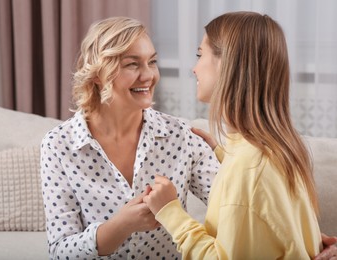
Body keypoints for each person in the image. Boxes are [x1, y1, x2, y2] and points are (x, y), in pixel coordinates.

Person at [143, 11, 335, 259]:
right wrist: (223, 154)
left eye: (201, 55)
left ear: (227, 64)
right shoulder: (278, 149)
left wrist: (170, 212)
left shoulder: (248, 169)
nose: (194, 68)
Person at [40, 16, 219, 259]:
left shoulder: (182, 137)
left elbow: (235, 208)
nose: (148, 75)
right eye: (132, 64)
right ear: (97, 74)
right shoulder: (58, 145)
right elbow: (60, 251)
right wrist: (120, 226)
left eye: (152, 62)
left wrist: (230, 158)